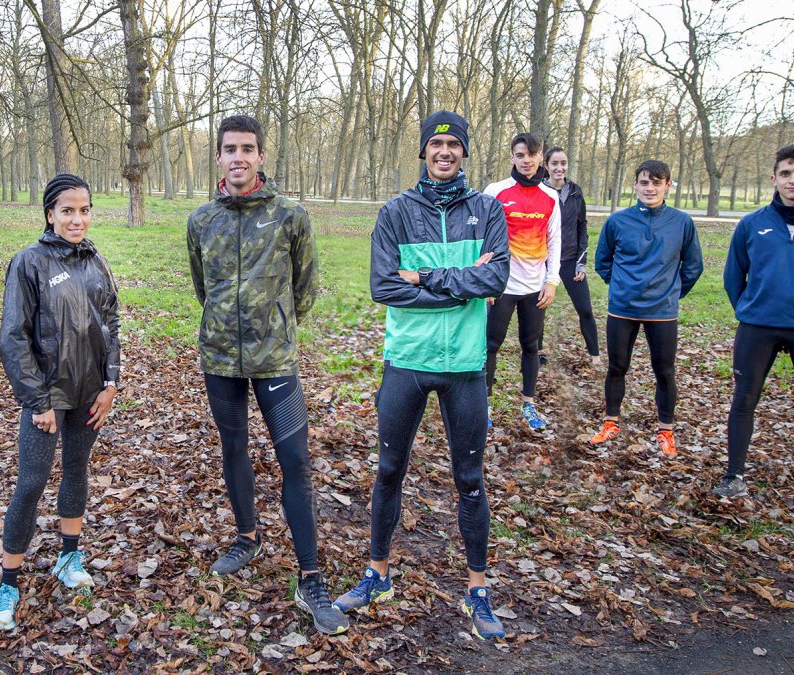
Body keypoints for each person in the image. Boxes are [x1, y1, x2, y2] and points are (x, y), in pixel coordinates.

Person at [332, 111, 511, 641]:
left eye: (455, 144)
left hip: (465, 369)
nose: (445, 152)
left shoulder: (487, 210)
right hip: (407, 362)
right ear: (423, 153)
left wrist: (430, 278)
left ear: (464, 153)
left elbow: (497, 275)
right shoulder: (395, 213)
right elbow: (384, 287)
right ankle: (377, 575)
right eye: (437, 145)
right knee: (389, 471)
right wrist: (463, 286)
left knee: (470, 481)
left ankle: (477, 590)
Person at [187, 114, 348, 635]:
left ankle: (310, 575)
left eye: (248, 149)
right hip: (220, 362)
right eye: (230, 148)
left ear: (261, 156)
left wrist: (276, 326)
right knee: (232, 450)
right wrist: (226, 328)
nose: (239, 157)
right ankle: (247, 537)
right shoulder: (201, 221)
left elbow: (307, 286)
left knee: (294, 460)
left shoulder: (289, 216)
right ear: (219, 156)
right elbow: (202, 287)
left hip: (276, 361)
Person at [0, 173, 120, 631]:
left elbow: (111, 326)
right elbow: (13, 338)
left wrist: (111, 383)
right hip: (46, 399)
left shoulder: (97, 261)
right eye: (68, 210)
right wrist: (37, 400)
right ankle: (8, 584)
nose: (77, 219)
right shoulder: (28, 262)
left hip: (89, 396)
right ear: (50, 214)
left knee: (77, 472)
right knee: (32, 482)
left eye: (84, 210)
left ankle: (68, 558)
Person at [714, 144, 794, 498]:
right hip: (758, 327)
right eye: (786, 173)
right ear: (774, 178)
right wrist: (750, 311)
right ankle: (734, 475)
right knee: (744, 399)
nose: (793, 179)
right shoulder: (752, 224)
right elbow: (732, 277)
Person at [590, 160, 703, 456]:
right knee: (617, 367)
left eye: (656, 182)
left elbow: (693, 266)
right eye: (644, 182)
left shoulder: (682, 222)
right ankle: (611, 422)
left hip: (663, 311)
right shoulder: (617, 221)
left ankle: (666, 430)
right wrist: (622, 287)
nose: (649, 188)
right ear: (635, 185)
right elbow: (602, 260)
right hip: (622, 309)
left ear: (667, 185)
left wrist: (673, 292)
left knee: (664, 371)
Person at [483, 133, 560, 431]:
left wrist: (551, 281)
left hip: (535, 288)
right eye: (520, 155)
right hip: (502, 285)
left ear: (540, 157)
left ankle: (529, 404)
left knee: (531, 347)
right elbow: (484, 238)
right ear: (512, 157)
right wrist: (487, 281)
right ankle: (484, 405)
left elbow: (555, 241)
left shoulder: (551, 196)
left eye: (531, 154)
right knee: (490, 345)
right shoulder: (496, 191)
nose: (526, 160)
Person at [543, 147, 600, 366]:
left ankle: (595, 355)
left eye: (563, 163)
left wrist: (581, 263)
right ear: (546, 166)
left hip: (569, 261)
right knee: (538, 310)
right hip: (545, 262)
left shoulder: (576, 192)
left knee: (585, 309)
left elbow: (582, 227)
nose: (559, 168)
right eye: (554, 163)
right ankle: (536, 352)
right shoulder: (539, 191)